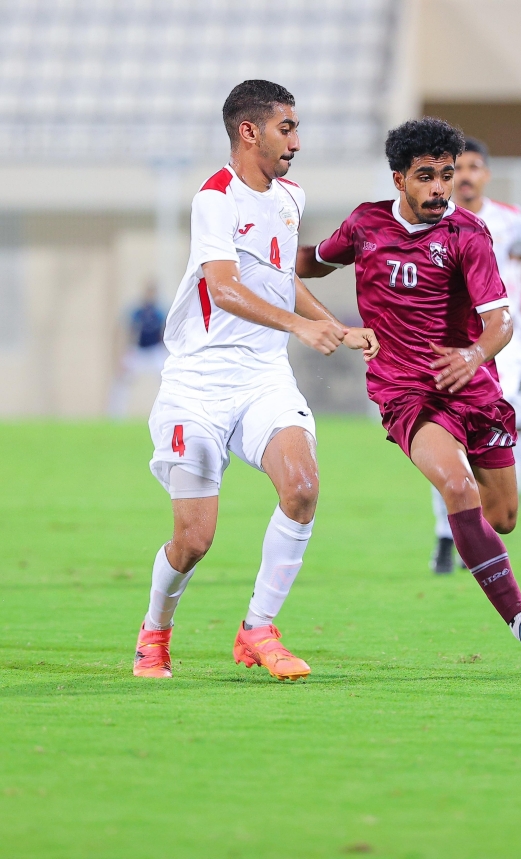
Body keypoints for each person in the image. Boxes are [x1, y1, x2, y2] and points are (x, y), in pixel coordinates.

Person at [132, 80, 378, 680]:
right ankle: (155, 630)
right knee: (194, 539)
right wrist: (300, 327)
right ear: (250, 131)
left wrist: (336, 325)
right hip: (198, 384)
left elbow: (278, 276)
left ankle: (258, 629)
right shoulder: (215, 198)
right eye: (286, 127)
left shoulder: (291, 197)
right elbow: (223, 287)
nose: (297, 140)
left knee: (302, 488)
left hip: (263, 378)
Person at [296, 118, 521, 666]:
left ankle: (473, 547)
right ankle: (519, 616)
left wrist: (474, 355)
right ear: (399, 180)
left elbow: (501, 323)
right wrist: (259, 253)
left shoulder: (468, 235)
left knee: (503, 516)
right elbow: (309, 263)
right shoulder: (366, 226)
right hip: (406, 392)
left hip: (473, 386)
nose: (441, 187)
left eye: (447, 174)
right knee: (457, 489)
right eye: (427, 176)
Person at [425, 136, 521, 574]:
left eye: (475, 167)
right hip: (455, 341)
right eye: (460, 168)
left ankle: (495, 515)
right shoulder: (437, 222)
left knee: (507, 425)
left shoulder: (511, 219)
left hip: (500, 342)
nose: (468, 175)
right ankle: (446, 532)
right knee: (448, 437)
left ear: (486, 174)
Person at [107, 283, 168, 418]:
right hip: (139, 350)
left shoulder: (159, 311)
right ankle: (115, 416)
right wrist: (125, 354)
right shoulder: (138, 311)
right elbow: (130, 331)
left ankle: (167, 414)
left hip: (155, 350)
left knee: (169, 380)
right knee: (121, 381)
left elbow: (165, 331)